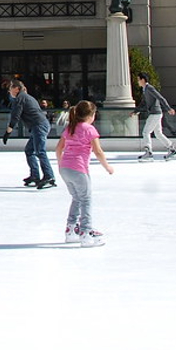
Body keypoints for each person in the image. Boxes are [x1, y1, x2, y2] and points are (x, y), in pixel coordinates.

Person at [54, 100, 114, 247]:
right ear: (91, 115)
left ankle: (71, 230)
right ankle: (86, 233)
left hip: (65, 169)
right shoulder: (89, 129)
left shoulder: (70, 128)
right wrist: (107, 167)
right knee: (86, 199)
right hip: (78, 169)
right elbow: (98, 151)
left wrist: (62, 164)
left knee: (77, 198)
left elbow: (58, 149)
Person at [2, 79, 56, 189]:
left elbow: (15, 116)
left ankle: (49, 176)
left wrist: (8, 131)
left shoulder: (20, 98)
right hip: (39, 125)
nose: (9, 91)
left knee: (40, 151)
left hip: (39, 126)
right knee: (29, 150)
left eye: (10, 88)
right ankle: (35, 176)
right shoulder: (26, 97)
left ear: (17, 89)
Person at [137, 74, 176, 161]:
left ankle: (149, 153)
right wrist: (136, 111)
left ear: (143, 80)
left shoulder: (149, 88)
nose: (138, 81)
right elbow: (144, 102)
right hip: (155, 113)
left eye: (138, 80)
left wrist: (168, 108)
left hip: (155, 113)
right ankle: (172, 150)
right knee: (158, 133)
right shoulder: (145, 89)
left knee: (146, 132)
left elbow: (160, 98)